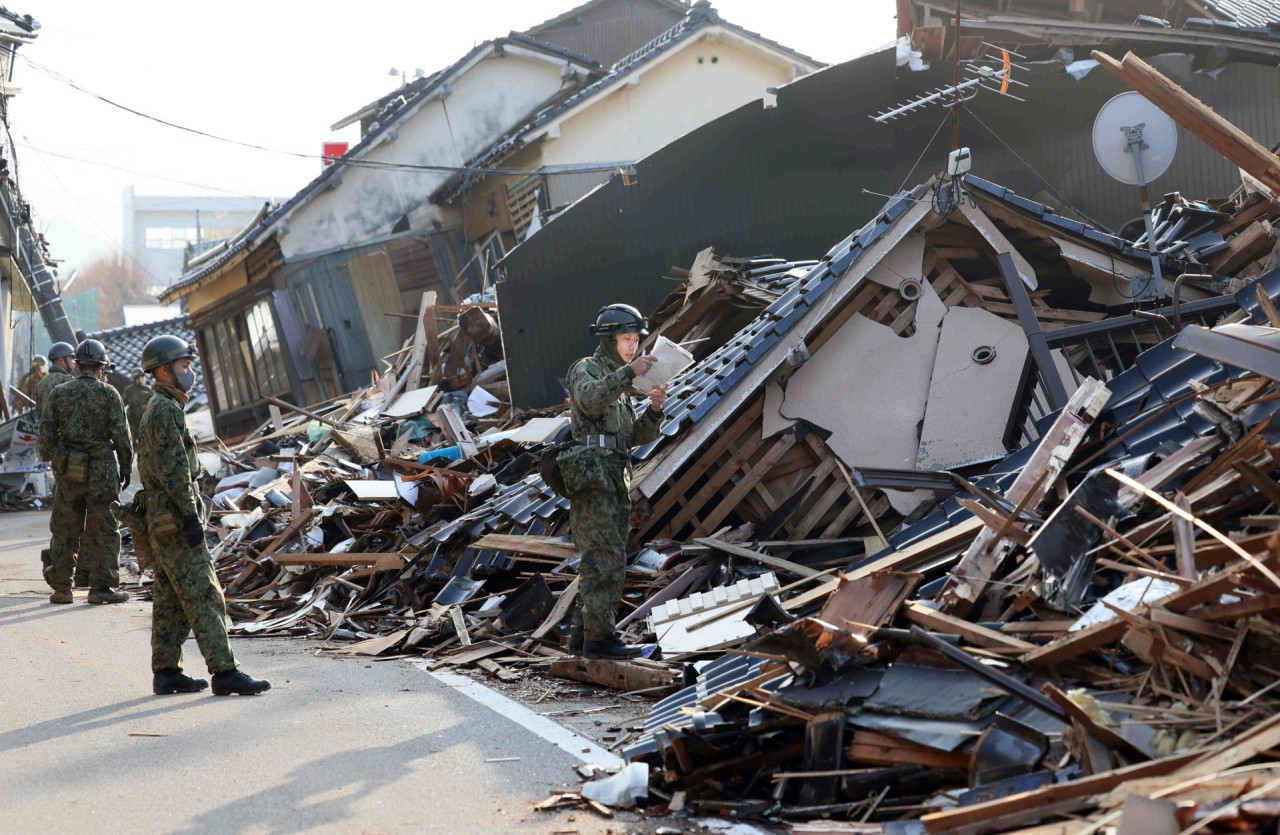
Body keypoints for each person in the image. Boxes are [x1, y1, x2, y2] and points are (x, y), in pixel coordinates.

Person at [137, 335, 269, 696]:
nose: (189, 372)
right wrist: (191, 516)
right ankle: (225, 672)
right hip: (176, 518)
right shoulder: (165, 410)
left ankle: (166, 672)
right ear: (164, 370)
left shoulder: (163, 407)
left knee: (169, 599)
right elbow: (174, 470)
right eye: (184, 366)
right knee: (204, 595)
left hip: (162, 518)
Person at [560, 304, 669, 660]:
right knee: (603, 557)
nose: (631, 347)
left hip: (613, 474)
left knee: (604, 558)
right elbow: (589, 402)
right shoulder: (587, 369)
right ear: (609, 339)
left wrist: (654, 409)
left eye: (636, 340)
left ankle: (583, 638)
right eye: (625, 339)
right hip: (592, 475)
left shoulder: (622, 381)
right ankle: (601, 640)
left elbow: (631, 434)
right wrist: (627, 374)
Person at [36, 339, 132, 605]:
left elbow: (45, 435)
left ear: (76, 365)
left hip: (70, 470)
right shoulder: (110, 393)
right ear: (101, 367)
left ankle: (62, 589)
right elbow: (122, 437)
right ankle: (101, 588)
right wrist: (125, 467)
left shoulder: (59, 393)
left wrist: (61, 458)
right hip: (103, 468)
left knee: (65, 528)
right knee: (105, 528)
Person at [35, 341, 90, 587]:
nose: (73, 364)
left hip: (53, 452)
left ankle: (58, 559)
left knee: (63, 506)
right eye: (71, 359)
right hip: (69, 453)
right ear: (62, 360)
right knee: (71, 512)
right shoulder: (64, 384)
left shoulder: (42, 383)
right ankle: (61, 562)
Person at [34, 342, 76, 420]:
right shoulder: (69, 381)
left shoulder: (42, 382)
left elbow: (39, 412)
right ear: (61, 360)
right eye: (71, 357)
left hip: (45, 431)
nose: (74, 361)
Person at [122, 367, 153, 443]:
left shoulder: (148, 389)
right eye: (138, 378)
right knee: (131, 441)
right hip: (132, 420)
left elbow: (155, 404)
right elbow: (122, 404)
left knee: (144, 442)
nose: (140, 379)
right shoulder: (129, 390)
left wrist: (147, 406)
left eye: (141, 377)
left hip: (144, 420)